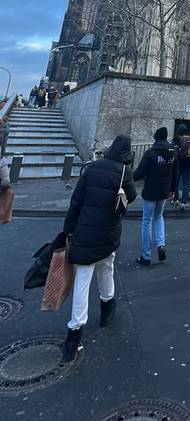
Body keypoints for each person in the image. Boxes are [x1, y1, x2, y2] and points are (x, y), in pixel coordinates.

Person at [62, 134, 136, 363]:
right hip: (108, 233)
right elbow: (131, 197)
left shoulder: (92, 168)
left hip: (85, 232)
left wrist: (68, 229)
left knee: (83, 280)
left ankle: (74, 333)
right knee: (107, 268)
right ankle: (107, 308)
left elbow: (76, 200)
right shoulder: (124, 172)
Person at [133, 127, 178, 266]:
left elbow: (139, 173)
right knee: (159, 217)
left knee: (147, 221)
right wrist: (172, 190)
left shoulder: (151, 153)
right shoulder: (173, 153)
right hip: (164, 191)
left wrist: (127, 178)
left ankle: (146, 256)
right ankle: (161, 245)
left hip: (151, 191)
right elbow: (175, 173)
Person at [172, 124, 190, 210]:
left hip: (179, 164)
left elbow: (172, 151)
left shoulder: (175, 140)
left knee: (176, 182)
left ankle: (175, 199)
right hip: (188, 164)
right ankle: (184, 202)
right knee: (186, 183)